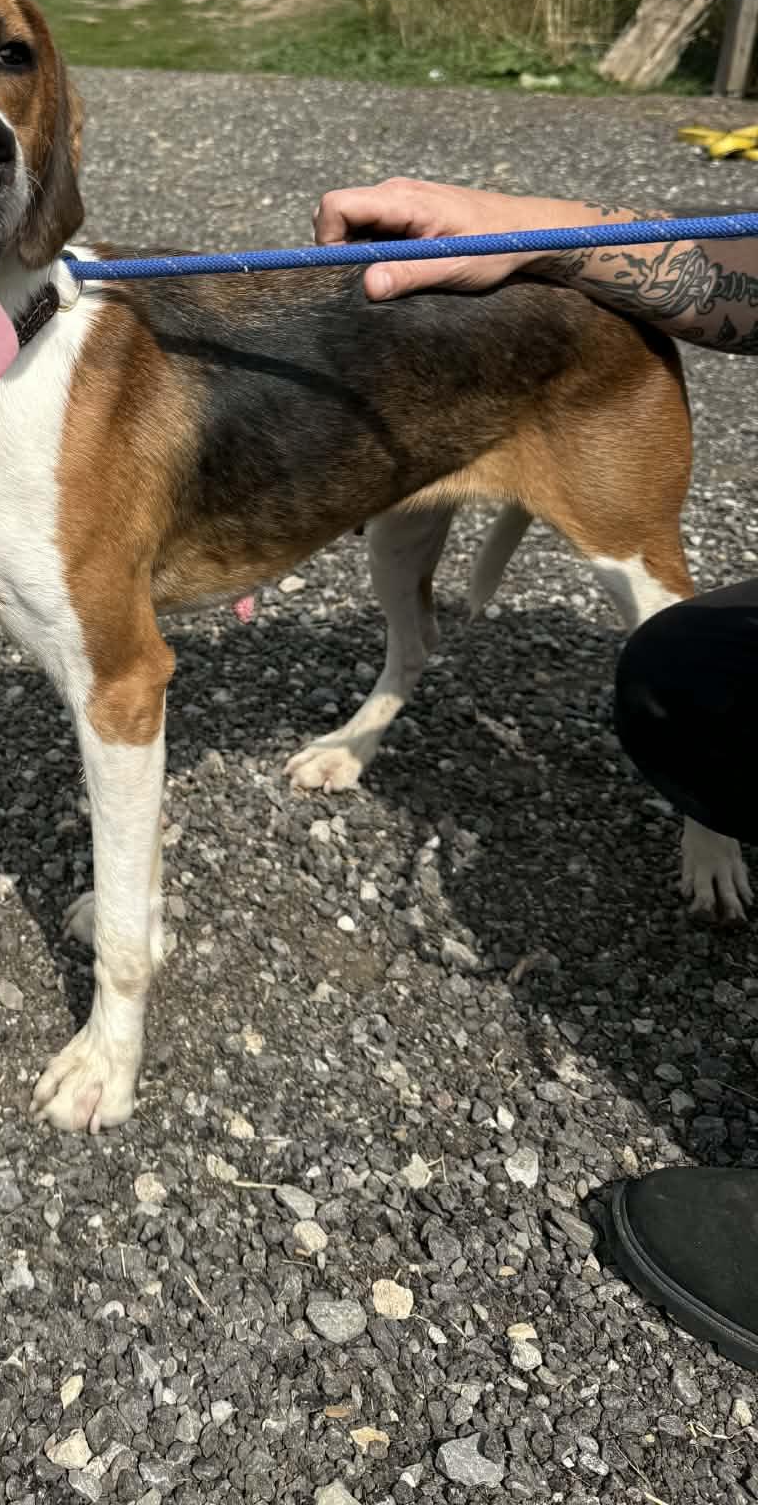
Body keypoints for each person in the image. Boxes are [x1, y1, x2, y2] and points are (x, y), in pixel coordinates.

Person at [313, 176, 758, 1371]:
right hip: (464, 389)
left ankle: (716, 806)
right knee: (411, 566)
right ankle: (393, 690)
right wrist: (535, 227)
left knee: (665, 630)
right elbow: (741, 274)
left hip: (578, 413)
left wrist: (709, 806)